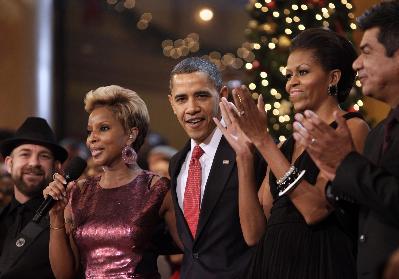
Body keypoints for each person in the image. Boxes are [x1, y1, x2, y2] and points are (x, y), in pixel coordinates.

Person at [215, 28, 370, 279]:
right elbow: (253, 233)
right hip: (270, 264)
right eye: (289, 75)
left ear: (333, 78)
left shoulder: (352, 127)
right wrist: (245, 154)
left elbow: (315, 210)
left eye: (303, 72)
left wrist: (264, 141)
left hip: (320, 262)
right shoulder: (286, 146)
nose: (291, 83)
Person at [292, 2, 399, 279]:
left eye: (366, 52)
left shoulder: (359, 128)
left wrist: (346, 164)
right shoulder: (379, 134)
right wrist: (335, 178)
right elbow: (366, 214)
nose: (356, 64)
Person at [43, 85, 181, 279]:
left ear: (130, 135)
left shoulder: (157, 189)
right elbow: (64, 274)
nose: (92, 139)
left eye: (104, 128)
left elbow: (192, 251)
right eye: (90, 131)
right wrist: (56, 216)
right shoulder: (79, 192)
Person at [168, 57, 266, 279]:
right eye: (181, 99)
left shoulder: (250, 150)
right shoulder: (176, 163)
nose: (191, 108)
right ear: (172, 104)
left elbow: (260, 235)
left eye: (201, 95)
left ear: (221, 96)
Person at [0, 117, 68, 279]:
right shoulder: (1, 217)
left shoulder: (65, 219)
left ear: (56, 167)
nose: (34, 163)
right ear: (9, 164)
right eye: (25, 154)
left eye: (44, 156)